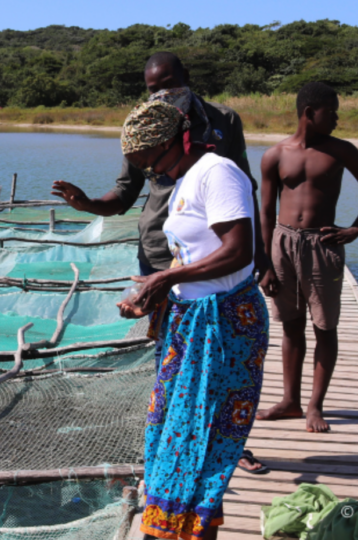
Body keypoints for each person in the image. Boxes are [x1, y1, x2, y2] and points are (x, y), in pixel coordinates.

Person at [52, 51, 269, 475]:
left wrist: (258, 251)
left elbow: (245, 189)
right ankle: (174, 439)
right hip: (159, 250)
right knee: (172, 356)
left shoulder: (222, 125)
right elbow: (125, 193)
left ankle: (223, 443)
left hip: (215, 259)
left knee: (219, 362)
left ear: (186, 78)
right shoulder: (145, 128)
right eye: (153, 89)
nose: (162, 94)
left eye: (168, 84)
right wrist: (88, 205)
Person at [117, 100, 269, 540]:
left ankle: (180, 531)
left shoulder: (217, 173)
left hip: (224, 327)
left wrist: (167, 275)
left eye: (151, 163)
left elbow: (239, 252)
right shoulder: (184, 178)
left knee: (200, 444)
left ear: (176, 141)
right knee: (172, 435)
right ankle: (172, 528)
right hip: (192, 321)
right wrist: (158, 293)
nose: (151, 174)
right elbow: (196, 256)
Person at [256, 82, 358, 433]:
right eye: (332, 111)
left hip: (322, 245)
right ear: (310, 113)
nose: (337, 119)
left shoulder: (341, 151)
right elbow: (266, 212)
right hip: (283, 245)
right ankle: (290, 402)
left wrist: (356, 228)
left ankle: (315, 406)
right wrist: (265, 263)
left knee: (324, 326)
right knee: (290, 325)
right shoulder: (275, 155)